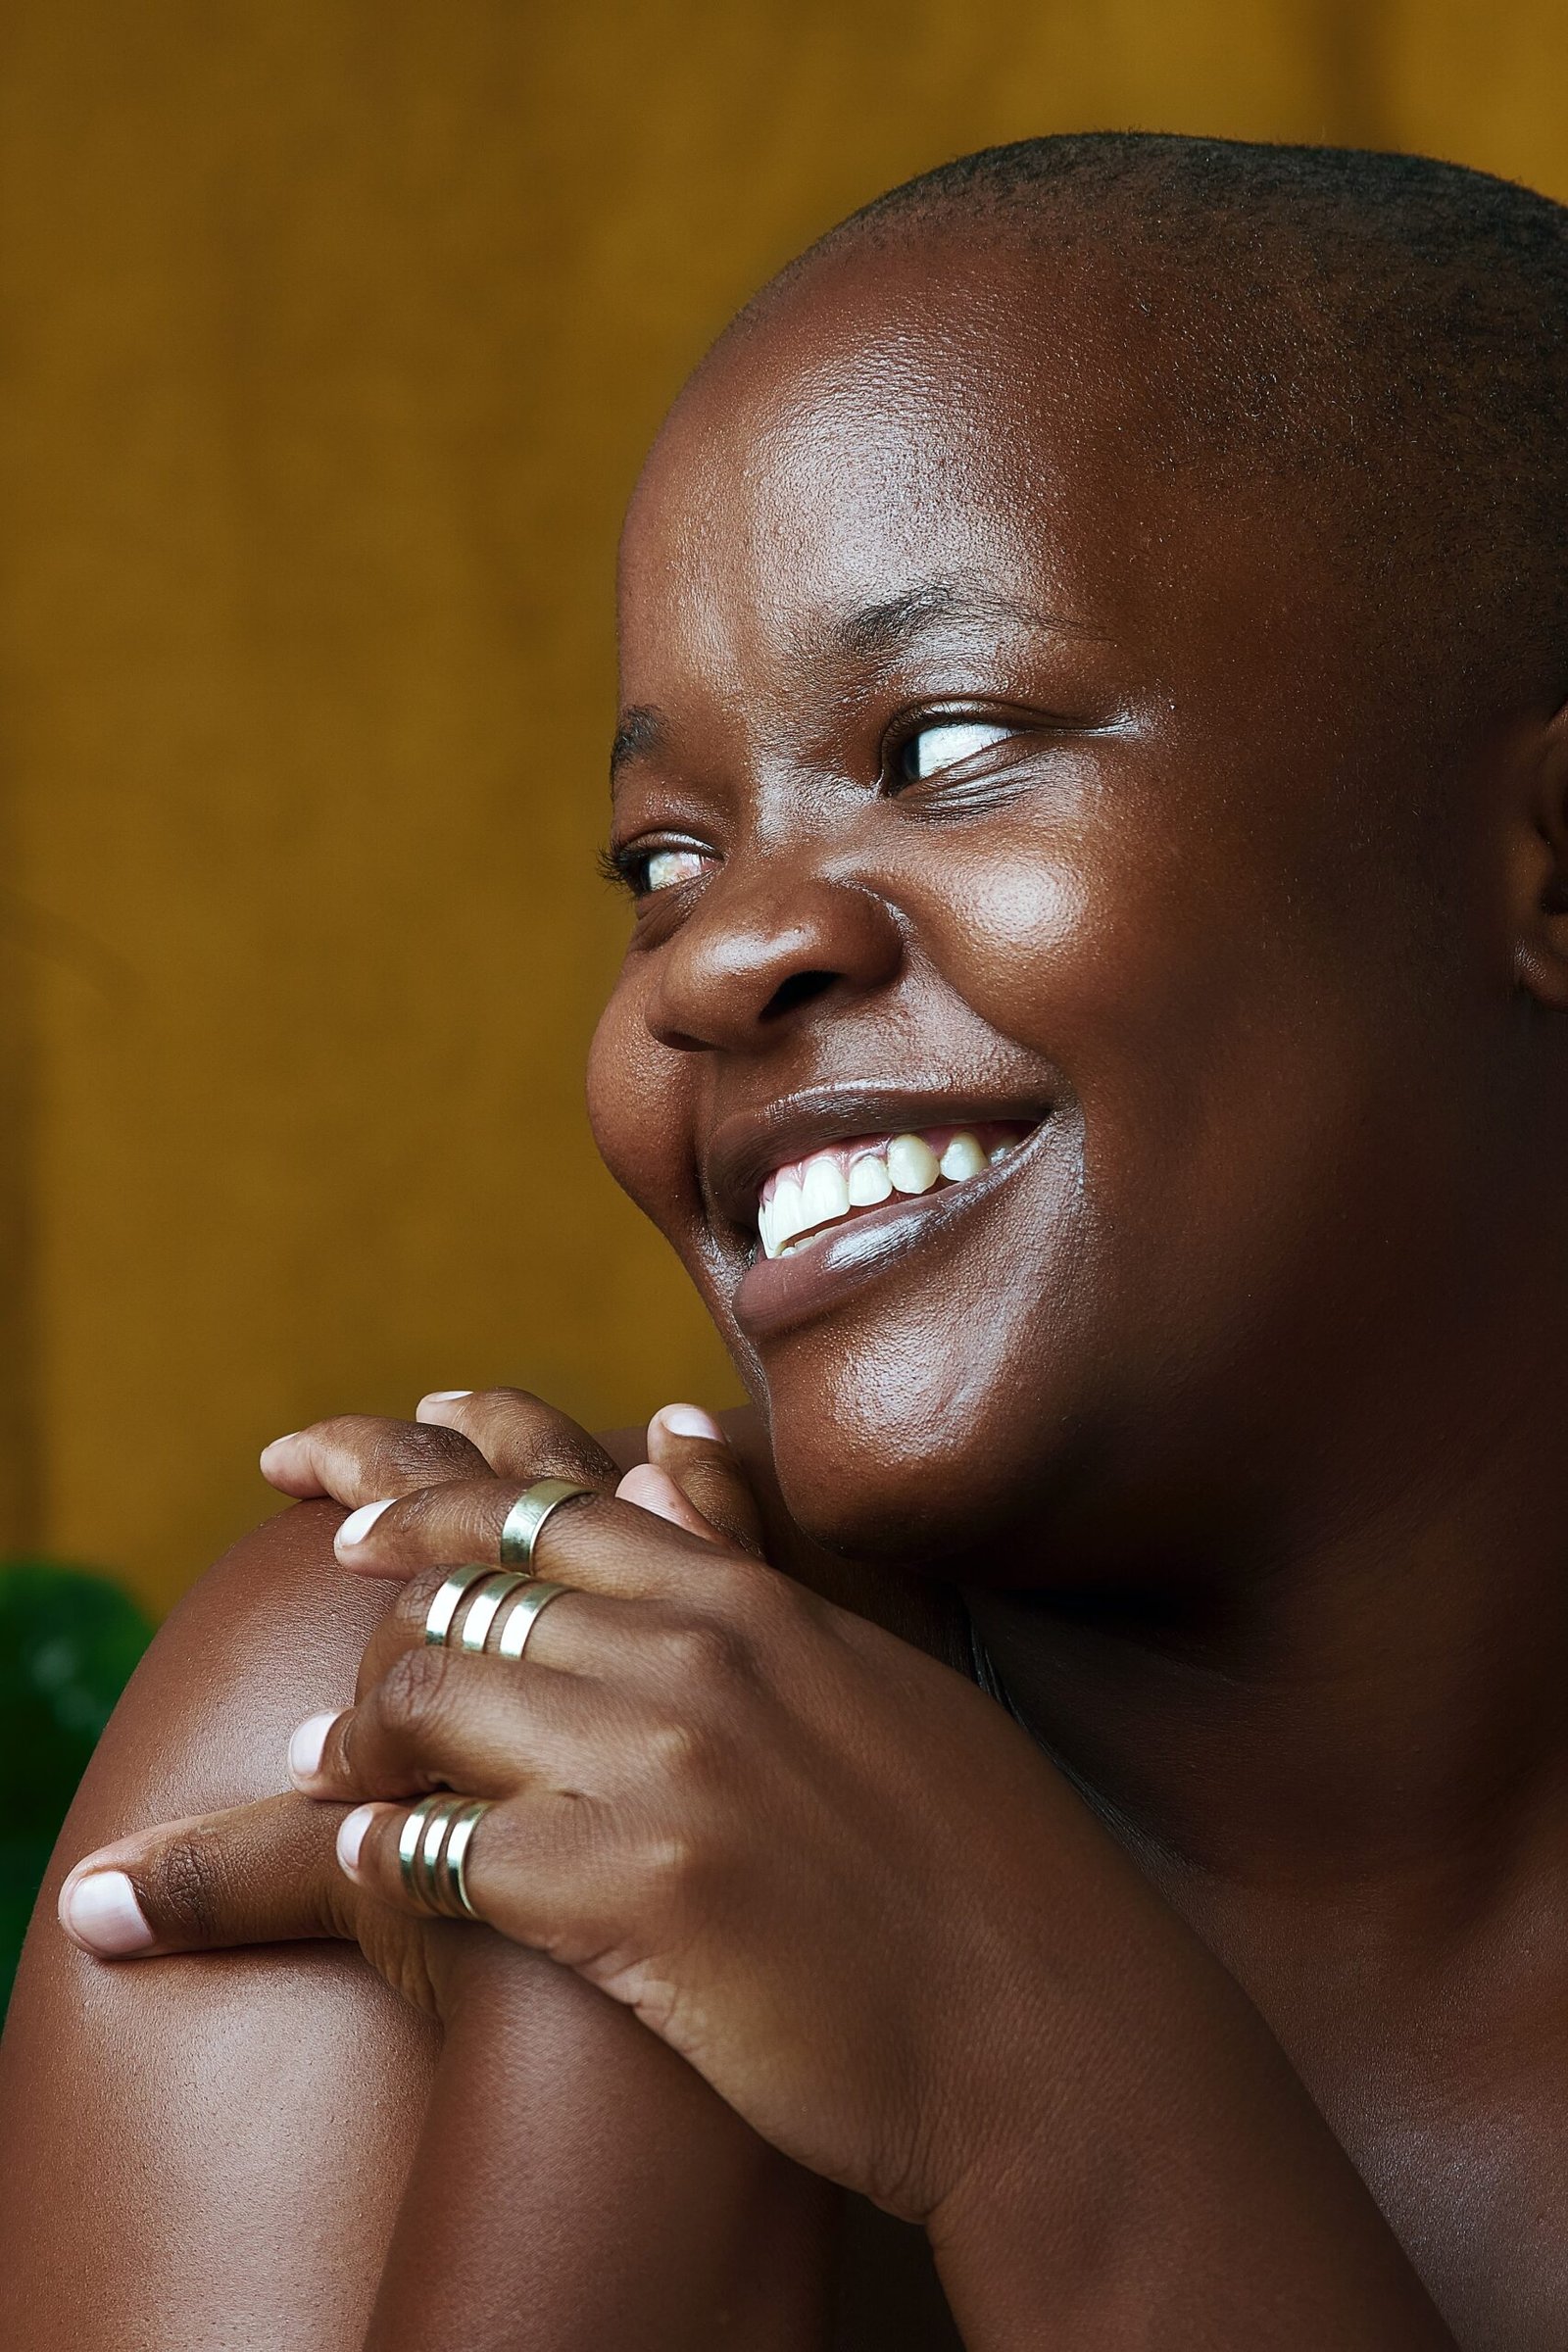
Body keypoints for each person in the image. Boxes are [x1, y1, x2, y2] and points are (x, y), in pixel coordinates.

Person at [3, 129, 1566, 2348]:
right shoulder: (390, 1725)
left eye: (940, 745)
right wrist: (620, 2046)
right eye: (658, 854)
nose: (718, 955)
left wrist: (1033, 2067)